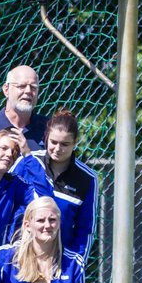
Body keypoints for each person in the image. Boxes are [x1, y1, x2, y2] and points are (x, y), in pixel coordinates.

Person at [11, 109, 98, 257]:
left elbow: (85, 229)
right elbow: (7, 208)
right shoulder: (26, 163)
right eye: (53, 142)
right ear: (46, 138)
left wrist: (75, 263)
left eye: (65, 144)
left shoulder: (87, 178)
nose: (57, 149)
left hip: (59, 260)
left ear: (75, 143)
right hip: (20, 255)